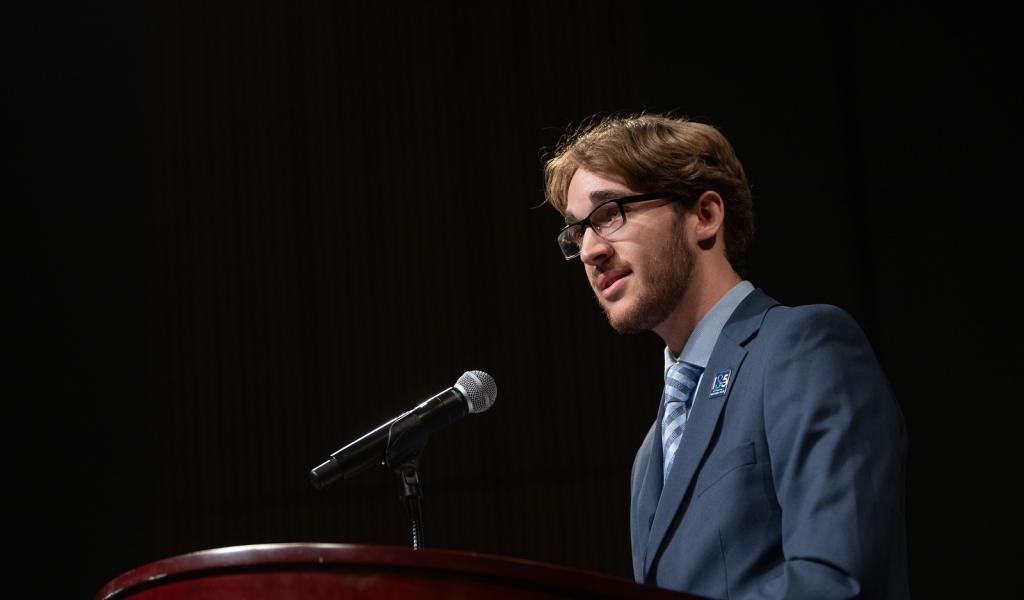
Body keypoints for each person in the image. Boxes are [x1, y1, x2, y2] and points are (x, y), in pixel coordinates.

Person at [543, 114, 908, 599]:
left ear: (705, 215)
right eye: (577, 231)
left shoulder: (803, 347)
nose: (590, 249)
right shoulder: (651, 455)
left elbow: (835, 583)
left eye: (609, 213)